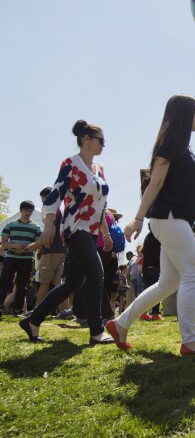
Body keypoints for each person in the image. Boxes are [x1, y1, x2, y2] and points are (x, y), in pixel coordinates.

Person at [106, 94, 195, 356]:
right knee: (193, 273)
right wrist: (137, 218)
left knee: (168, 283)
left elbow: (176, 188)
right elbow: (154, 183)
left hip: (175, 219)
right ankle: (190, 340)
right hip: (168, 219)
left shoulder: (180, 147)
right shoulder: (170, 145)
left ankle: (120, 324)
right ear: (184, 114)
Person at [19, 120, 114, 345]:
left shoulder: (100, 170)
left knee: (73, 283)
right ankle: (96, 331)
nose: (104, 145)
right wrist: (49, 225)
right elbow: (56, 195)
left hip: (91, 231)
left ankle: (33, 320)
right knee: (96, 274)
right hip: (75, 227)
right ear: (86, 140)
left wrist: (106, 233)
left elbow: (101, 204)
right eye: (101, 140)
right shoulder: (71, 164)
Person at [0, 200, 42, 317]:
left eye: (30, 211)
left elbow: (39, 244)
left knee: (22, 284)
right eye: (25, 210)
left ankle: (17, 310)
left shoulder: (36, 227)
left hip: (26, 259)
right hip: (11, 258)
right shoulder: (10, 225)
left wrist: (26, 249)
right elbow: (3, 244)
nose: (28, 213)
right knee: (4, 281)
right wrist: (14, 246)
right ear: (20, 210)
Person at [34, 188, 68, 310]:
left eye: (43, 198)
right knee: (57, 282)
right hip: (61, 249)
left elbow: (50, 232)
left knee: (44, 282)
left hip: (51, 249)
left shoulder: (51, 210)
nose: (42, 201)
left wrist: (33, 246)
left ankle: (36, 310)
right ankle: (65, 310)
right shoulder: (60, 210)